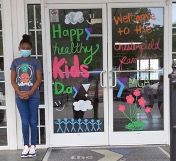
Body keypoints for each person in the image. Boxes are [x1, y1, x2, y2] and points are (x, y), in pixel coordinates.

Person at [10, 34, 42, 158]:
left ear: (31, 49)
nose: (25, 49)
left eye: (27, 48)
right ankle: (26, 146)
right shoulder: (15, 62)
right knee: (25, 121)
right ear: (19, 47)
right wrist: (19, 93)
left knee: (33, 121)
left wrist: (29, 92)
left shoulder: (36, 62)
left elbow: (39, 80)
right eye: (23, 47)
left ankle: (33, 145)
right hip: (20, 96)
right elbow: (13, 80)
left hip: (33, 96)